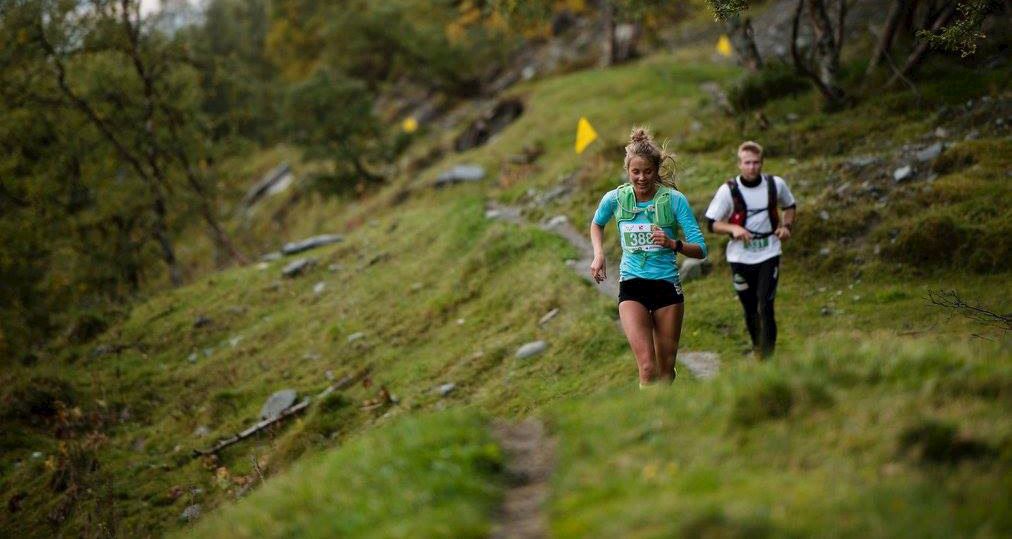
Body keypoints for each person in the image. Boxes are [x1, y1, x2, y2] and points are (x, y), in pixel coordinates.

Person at [589, 128, 708, 388]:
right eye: (635, 172)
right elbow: (596, 224)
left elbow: (701, 249)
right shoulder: (616, 198)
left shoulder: (675, 201)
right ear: (628, 171)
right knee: (647, 368)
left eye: (647, 172)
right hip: (633, 285)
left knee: (665, 373)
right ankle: (652, 424)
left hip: (666, 286)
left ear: (656, 170)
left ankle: (667, 418)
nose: (641, 178)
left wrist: (672, 243)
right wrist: (599, 255)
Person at [704, 141, 796, 359]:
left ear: (762, 163)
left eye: (756, 163)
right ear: (739, 164)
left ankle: (768, 358)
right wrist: (733, 228)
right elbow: (711, 223)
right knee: (750, 308)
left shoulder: (775, 185)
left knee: (766, 304)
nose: (752, 167)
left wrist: (786, 227)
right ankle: (757, 347)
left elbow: (789, 206)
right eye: (747, 163)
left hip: (769, 253)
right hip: (740, 257)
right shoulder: (728, 191)